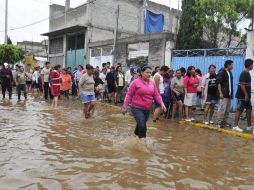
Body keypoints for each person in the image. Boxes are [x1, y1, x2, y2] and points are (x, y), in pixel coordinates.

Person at [122, 64, 166, 142]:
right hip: (136, 108)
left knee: (140, 124)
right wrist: (125, 106)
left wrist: (162, 103)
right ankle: (143, 144)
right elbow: (129, 95)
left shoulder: (152, 83)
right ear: (141, 73)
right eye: (147, 72)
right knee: (143, 126)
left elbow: (156, 95)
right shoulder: (135, 82)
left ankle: (134, 138)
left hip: (147, 109)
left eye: (150, 72)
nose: (149, 74)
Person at [234, 59, 254, 133]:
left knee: (249, 109)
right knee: (239, 110)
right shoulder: (244, 73)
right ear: (249, 65)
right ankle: (235, 126)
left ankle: (249, 126)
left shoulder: (248, 73)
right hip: (242, 96)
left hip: (247, 96)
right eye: (252, 64)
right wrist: (245, 94)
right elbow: (242, 84)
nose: (253, 66)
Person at [216, 60, 234, 128]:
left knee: (227, 110)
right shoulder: (222, 72)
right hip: (223, 94)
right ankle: (219, 123)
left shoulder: (230, 73)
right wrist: (220, 93)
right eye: (232, 65)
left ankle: (224, 122)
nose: (233, 66)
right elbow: (219, 83)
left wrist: (231, 94)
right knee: (222, 109)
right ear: (228, 65)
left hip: (229, 94)